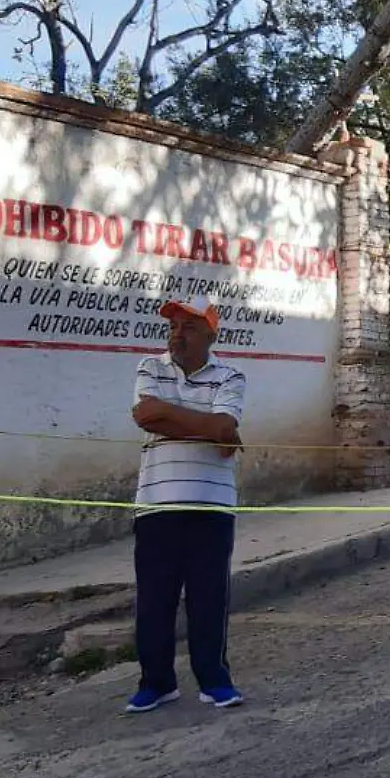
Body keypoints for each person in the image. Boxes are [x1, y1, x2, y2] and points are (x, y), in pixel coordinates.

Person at [124, 296, 248, 714]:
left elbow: (224, 425)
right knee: (155, 599)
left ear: (212, 336)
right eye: (174, 327)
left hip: (212, 504)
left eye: (189, 328)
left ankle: (214, 681)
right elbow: (146, 417)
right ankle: (157, 683)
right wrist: (211, 430)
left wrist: (172, 416)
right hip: (157, 503)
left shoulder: (231, 375)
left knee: (208, 598)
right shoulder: (149, 367)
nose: (178, 334)